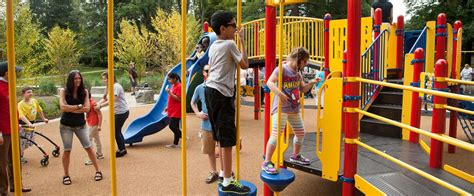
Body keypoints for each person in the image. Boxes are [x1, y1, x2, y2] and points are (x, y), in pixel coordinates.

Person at [205, 10, 250, 194]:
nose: (235, 28)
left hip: (210, 90)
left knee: (219, 135)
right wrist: (242, 41)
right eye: (233, 25)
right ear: (223, 29)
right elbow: (245, 64)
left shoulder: (215, 45)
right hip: (222, 93)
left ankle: (224, 173)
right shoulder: (230, 44)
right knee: (227, 138)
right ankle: (228, 181)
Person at [261, 47, 321, 175]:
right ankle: (266, 161)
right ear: (298, 59)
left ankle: (296, 155)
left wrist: (311, 82)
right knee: (276, 135)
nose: (305, 64)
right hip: (281, 108)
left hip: (294, 108)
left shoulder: (298, 73)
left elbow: (303, 89)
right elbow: (270, 82)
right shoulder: (282, 69)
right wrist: (280, 94)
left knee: (300, 132)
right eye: (304, 62)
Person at [59, 70, 102, 185]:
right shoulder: (64, 91)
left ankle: (98, 171)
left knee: (88, 147)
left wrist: (70, 108)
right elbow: (63, 107)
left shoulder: (84, 92)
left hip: (80, 125)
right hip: (66, 125)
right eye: (75, 78)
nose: (78, 80)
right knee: (67, 150)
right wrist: (78, 106)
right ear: (70, 79)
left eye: (79, 78)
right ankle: (66, 175)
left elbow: (87, 109)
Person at [0, 61, 32, 194]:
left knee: (15, 159)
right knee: (2, 162)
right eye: (15, 72)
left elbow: (11, 108)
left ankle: (16, 184)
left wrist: (17, 123)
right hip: (3, 131)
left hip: (13, 129)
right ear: (7, 73)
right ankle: (3, 190)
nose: (17, 74)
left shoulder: (9, 86)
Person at [191, 65, 223, 184]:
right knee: (209, 150)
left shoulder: (219, 86)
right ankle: (214, 171)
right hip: (206, 125)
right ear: (204, 73)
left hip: (219, 124)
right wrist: (197, 113)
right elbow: (193, 102)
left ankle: (224, 172)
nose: (210, 72)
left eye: (212, 70)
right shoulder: (200, 88)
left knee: (222, 149)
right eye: (207, 70)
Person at [96, 71, 129, 157]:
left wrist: (100, 106)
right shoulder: (109, 87)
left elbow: (112, 99)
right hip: (118, 112)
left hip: (121, 112)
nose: (103, 80)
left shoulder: (116, 86)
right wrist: (96, 104)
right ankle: (122, 148)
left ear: (110, 78)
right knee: (117, 130)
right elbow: (105, 98)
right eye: (103, 79)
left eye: (104, 78)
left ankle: (122, 150)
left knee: (116, 131)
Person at [18, 86, 49, 163]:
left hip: (31, 125)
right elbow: (21, 116)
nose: (30, 94)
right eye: (28, 92)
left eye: (31, 92)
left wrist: (43, 118)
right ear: (23, 94)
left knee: (30, 142)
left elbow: (39, 110)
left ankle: (19, 153)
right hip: (23, 125)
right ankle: (19, 156)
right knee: (22, 142)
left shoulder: (34, 101)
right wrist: (28, 123)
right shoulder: (20, 104)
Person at [84, 91, 104, 165]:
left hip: (94, 124)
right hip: (92, 123)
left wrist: (99, 125)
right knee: (96, 139)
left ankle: (91, 159)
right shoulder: (88, 102)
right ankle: (100, 154)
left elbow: (100, 114)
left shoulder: (93, 103)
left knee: (88, 140)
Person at [165, 72, 182, 148]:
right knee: (176, 126)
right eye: (168, 79)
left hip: (176, 110)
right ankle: (175, 143)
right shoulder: (174, 86)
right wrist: (167, 107)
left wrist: (169, 92)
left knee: (172, 126)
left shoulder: (179, 86)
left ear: (175, 78)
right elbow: (171, 98)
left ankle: (182, 136)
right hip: (172, 109)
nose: (169, 80)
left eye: (170, 79)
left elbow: (179, 98)